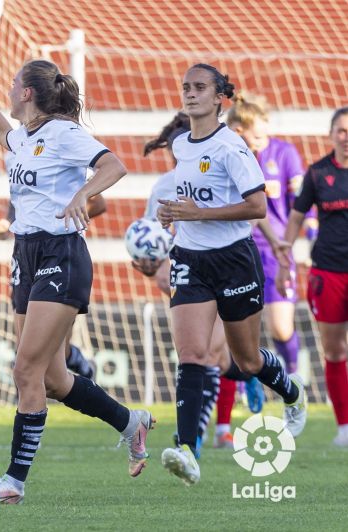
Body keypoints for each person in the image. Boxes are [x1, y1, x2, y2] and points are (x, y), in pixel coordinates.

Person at [0, 43, 153, 506]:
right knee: (53, 380)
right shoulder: (25, 134)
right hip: (26, 253)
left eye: (9, 86)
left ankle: (13, 482)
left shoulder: (64, 133)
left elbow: (113, 165)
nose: (7, 93)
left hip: (62, 253)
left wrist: (84, 192)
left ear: (26, 91)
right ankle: (130, 422)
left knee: (25, 369)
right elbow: (3, 133)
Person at [156, 64, 307, 487]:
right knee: (191, 354)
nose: (190, 94)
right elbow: (190, 200)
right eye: (186, 87)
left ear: (220, 98)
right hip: (190, 257)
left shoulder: (232, 147)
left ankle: (291, 392)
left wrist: (200, 213)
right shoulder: (180, 143)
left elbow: (257, 206)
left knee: (246, 359)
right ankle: (187, 450)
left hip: (234, 259)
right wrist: (172, 213)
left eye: (200, 87)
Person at [136, 112, 264, 456]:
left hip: (229, 269)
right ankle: (192, 443)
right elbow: (153, 236)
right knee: (202, 355)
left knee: (223, 359)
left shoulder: (222, 162)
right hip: (190, 278)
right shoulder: (164, 186)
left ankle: (251, 374)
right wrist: (150, 265)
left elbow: (253, 210)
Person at [276, 107, 348, 447]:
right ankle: (345, 427)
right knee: (334, 351)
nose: (346, 136)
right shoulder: (318, 174)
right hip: (328, 272)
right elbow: (295, 218)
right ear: (331, 133)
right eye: (341, 130)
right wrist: (284, 259)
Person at [227, 94, 313, 376]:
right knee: (239, 325)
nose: (260, 137)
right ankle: (242, 384)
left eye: (264, 130)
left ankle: (293, 377)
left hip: (276, 250)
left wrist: (310, 240)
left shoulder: (285, 153)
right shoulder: (231, 156)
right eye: (256, 132)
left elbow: (302, 203)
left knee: (281, 326)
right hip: (238, 249)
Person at [0, 197, 105, 380]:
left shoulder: (70, 170)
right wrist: (5, 225)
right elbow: (16, 213)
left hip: (57, 256)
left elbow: (99, 204)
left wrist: (68, 217)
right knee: (24, 347)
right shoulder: (20, 172)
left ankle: (78, 361)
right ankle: (24, 400)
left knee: (57, 354)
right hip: (24, 261)